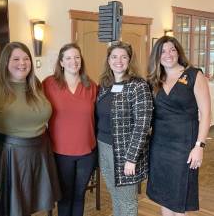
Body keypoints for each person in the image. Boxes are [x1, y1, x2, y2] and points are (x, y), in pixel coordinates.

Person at [0, 42, 61, 216]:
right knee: (14, 208)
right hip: (11, 155)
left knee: (32, 204)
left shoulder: (35, 84)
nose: (22, 63)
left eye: (26, 59)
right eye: (16, 59)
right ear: (5, 62)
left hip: (40, 150)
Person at [146, 36, 211, 216]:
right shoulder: (153, 80)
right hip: (159, 146)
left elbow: (206, 115)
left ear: (178, 52)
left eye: (172, 50)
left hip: (185, 145)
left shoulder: (193, 75)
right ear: (157, 56)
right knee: (164, 195)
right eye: (163, 51)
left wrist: (199, 146)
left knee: (180, 197)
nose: (168, 54)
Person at [95, 41, 153, 216]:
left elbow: (143, 124)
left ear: (130, 60)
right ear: (108, 60)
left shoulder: (138, 86)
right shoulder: (105, 85)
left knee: (127, 201)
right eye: (114, 57)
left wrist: (131, 158)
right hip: (104, 147)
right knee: (114, 195)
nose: (118, 61)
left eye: (123, 57)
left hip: (126, 152)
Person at [42, 43, 97, 216]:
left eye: (77, 57)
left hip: (87, 153)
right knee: (65, 197)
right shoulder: (48, 84)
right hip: (60, 153)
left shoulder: (91, 86)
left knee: (79, 196)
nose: (74, 61)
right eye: (68, 58)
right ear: (61, 62)